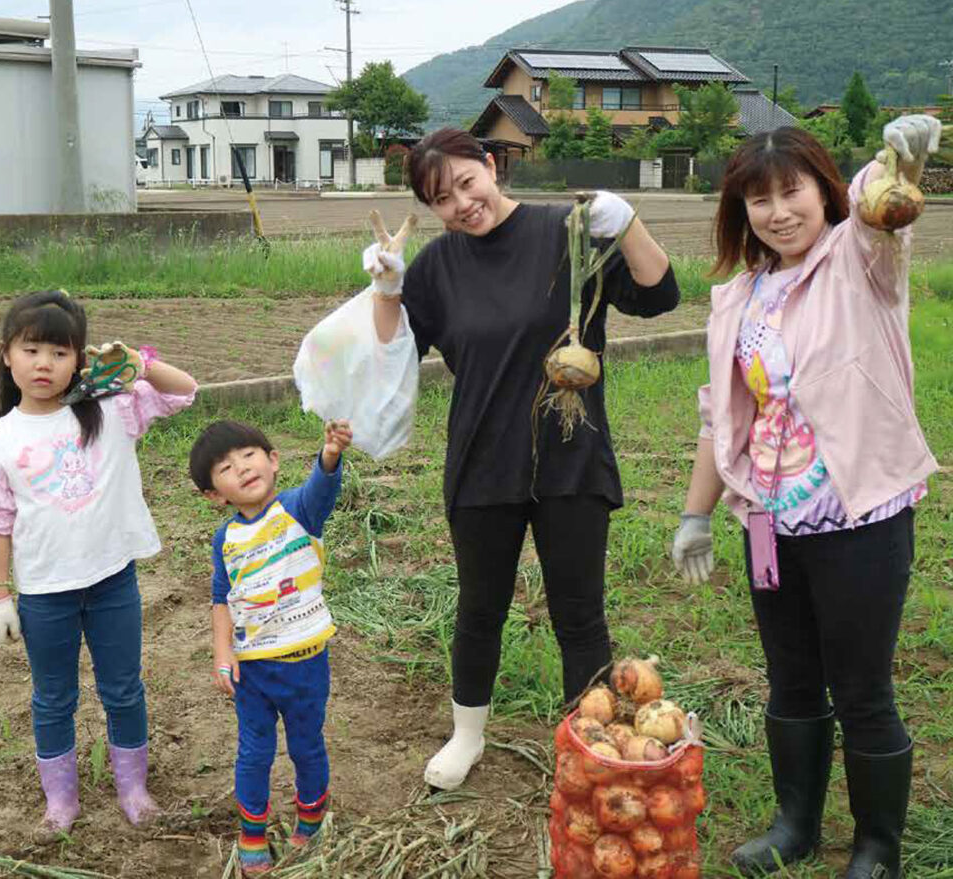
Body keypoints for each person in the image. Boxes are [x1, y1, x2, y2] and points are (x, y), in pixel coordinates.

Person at [365, 127, 680, 791]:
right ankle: (467, 735)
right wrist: (388, 291)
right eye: (441, 199)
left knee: (580, 615)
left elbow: (658, 295)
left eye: (466, 183)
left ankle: (588, 745)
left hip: (571, 455)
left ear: (489, 165)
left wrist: (628, 226)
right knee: (480, 607)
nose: (461, 203)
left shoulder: (565, 232)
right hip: (483, 459)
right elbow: (390, 356)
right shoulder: (439, 267)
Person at [671, 116, 942, 878]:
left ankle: (876, 847)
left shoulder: (860, 262)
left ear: (822, 191)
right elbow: (720, 417)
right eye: (759, 199)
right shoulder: (742, 297)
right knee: (790, 679)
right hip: (769, 523)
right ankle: (794, 824)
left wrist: (900, 164)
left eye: (792, 191)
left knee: (862, 687)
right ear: (740, 210)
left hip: (860, 518)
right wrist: (697, 514)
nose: (779, 211)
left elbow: (880, 213)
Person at [0, 290, 198, 837]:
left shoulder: (113, 410)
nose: (45, 364)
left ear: (81, 360)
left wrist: (140, 364)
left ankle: (133, 787)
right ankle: (60, 801)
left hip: (113, 579)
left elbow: (184, 392)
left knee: (124, 689)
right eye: (32, 349)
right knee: (53, 698)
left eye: (61, 353)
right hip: (45, 592)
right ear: (7, 355)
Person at [189, 417, 353, 878]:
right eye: (225, 467)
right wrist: (222, 654)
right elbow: (221, 599)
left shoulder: (298, 510)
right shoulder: (226, 539)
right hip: (252, 670)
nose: (241, 468)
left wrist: (330, 454)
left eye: (248, 455)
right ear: (214, 495)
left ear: (273, 460)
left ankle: (311, 818)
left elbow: (322, 487)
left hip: (304, 664)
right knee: (254, 752)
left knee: (306, 746)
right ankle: (252, 834)